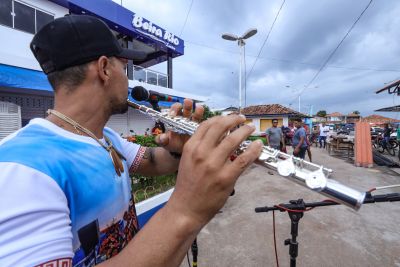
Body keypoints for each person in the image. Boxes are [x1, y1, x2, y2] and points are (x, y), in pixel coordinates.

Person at [0, 15, 263, 267]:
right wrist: (186, 211)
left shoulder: (104, 136)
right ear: (104, 69)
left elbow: (152, 162)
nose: (128, 81)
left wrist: (180, 150)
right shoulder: (22, 169)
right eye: (124, 68)